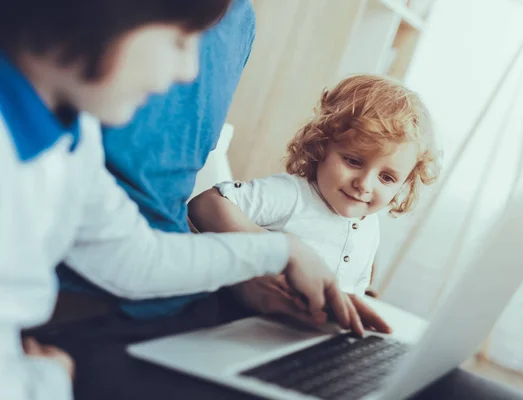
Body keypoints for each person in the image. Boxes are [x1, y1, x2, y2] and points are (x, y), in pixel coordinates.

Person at [0, 1, 360, 398]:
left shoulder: (72, 132)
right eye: (178, 40)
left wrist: (282, 251)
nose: (190, 71)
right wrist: (46, 383)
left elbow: (134, 258)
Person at [57, 0, 260, 320]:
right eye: (178, 39)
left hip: (169, 282)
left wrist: (270, 262)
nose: (189, 70)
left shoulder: (241, 18)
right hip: (83, 297)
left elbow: (138, 245)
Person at [188, 74, 440, 328]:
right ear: (321, 145)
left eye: (386, 178)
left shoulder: (369, 224)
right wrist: (275, 247)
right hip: (254, 326)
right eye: (353, 161)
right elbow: (206, 203)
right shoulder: (292, 195)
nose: (364, 184)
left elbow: (356, 290)